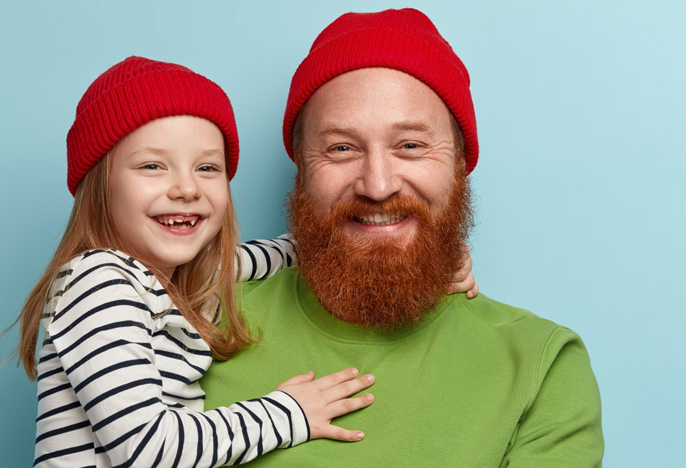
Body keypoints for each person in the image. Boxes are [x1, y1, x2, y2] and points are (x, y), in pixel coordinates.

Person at [201, 8, 604, 467]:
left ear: (459, 164)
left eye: (410, 145)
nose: (377, 185)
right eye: (341, 148)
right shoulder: (193, 324)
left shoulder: (541, 367)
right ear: (301, 169)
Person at [15, 56, 381, 467]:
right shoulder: (97, 280)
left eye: (207, 167)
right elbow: (147, 450)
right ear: (100, 184)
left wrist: (378, 243)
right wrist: (287, 413)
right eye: (153, 166)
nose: (187, 188)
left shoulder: (182, 279)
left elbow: (275, 255)